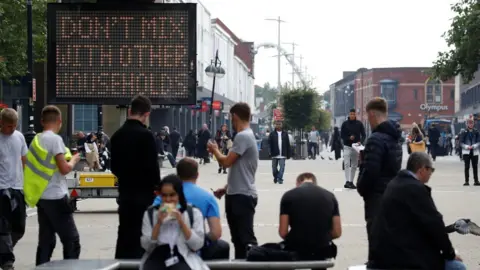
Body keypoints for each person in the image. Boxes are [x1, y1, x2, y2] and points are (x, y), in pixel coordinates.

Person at [368, 152, 466, 270]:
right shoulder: (415, 189)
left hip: (386, 253)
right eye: (431, 169)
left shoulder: (395, 183)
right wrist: (449, 253)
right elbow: (434, 224)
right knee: (457, 267)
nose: (431, 173)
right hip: (400, 257)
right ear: (422, 169)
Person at [25, 106, 81, 265]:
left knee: (46, 242)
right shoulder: (55, 140)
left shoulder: (37, 140)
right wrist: (75, 160)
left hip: (43, 196)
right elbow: (64, 169)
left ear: (42, 121)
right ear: (60, 122)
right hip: (57, 197)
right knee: (72, 240)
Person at [110, 95, 161, 259]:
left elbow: (114, 167)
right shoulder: (146, 136)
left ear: (130, 111)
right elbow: (153, 169)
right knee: (143, 235)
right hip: (144, 196)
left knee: (124, 233)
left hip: (125, 194)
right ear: (146, 114)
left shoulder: (117, 136)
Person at [207, 102, 258, 259]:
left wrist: (214, 150)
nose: (231, 122)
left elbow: (227, 162)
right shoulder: (248, 135)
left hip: (242, 196)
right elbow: (241, 169)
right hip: (237, 192)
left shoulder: (243, 136)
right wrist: (227, 187)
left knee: (245, 239)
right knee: (238, 240)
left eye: (231, 118)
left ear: (235, 116)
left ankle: (249, 264)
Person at [153, 158, 229, 260]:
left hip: (167, 248)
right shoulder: (208, 198)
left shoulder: (162, 197)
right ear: (197, 175)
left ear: (177, 174)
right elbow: (216, 233)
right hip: (194, 250)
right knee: (222, 246)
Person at [356, 97, 403, 262]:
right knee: (390, 238)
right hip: (393, 192)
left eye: (368, 118)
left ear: (372, 114)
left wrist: (360, 186)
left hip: (377, 195)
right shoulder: (395, 138)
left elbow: (371, 171)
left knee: (376, 240)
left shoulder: (375, 139)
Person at [141, 175, 209, 270]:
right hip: (157, 257)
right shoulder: (150, 214)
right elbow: (147, 247)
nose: (168, 199)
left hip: (182, 256)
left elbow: (197, 245)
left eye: (172, 195)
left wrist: (182, 222)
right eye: (164, 195)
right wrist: (158, 224)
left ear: (179, 195)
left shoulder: (193, 213)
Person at [279, 173, 340, 266]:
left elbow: (283, 232)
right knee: (322, 254)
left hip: (296, 247)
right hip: (322, 249)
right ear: (315, 183)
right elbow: (337, 232)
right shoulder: (330, 196)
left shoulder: (288, 196)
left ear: (298, 183)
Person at [0, 109, 28, 270]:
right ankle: (7, 261)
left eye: (14, 126)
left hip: (17, 187)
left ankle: (4, 251)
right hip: (1, 188)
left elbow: (24, 160)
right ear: (1, 123)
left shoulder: (19, 137)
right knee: (4, 227)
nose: (12, 129)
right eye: (9, 126)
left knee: (19, 227)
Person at [340, 108, 366, 189]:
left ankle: (351, 182)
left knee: (354, 165)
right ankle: (347, 181)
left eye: (353, 114)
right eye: (351, 114)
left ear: (355, 115)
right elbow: (342, 135)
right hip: (347, 146)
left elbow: (364, 135)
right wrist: (348, 138)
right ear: (349, 114)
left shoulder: (359, 124)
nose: (352, 115)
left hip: (356, 147)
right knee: (347, 164)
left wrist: (360, 141)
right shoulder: (344, 124)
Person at [459, 117, 480, 186]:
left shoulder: (476, 132)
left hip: (475, 151)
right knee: (467, 166)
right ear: (467, 124)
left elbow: (479, 141)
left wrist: (474, 146)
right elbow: (461, 142)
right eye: (469, 123)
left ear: (473, 124)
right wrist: (467, 146)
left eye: (472, 123)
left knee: (475, 167)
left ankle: (476, 181)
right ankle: (466, 181)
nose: (471, 125)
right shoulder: (463, 132)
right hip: (466, 152)